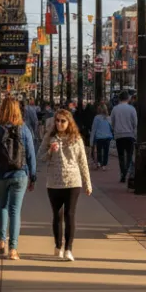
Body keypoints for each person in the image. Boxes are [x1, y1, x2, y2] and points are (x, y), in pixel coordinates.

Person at [0, 97, 37, 260]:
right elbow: (31, 155)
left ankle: (1, 243)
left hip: (0, 174)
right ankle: (13, 249)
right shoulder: (24, 129)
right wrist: (33, 176)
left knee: (2, 207)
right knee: (15, 210)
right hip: (19, 174)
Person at [42, 109, 92, 261]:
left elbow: (83, 161)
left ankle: (69, 249)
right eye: (57, 120)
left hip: (72, 181)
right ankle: (58, 245)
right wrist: (50, 151)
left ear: (69, 122)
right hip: (54, 182)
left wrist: (87, 183)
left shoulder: (76, 139)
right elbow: (40, 157)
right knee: (57, 215)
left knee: (70, 215)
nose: (59, 124)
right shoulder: (50, 137)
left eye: (63, 121)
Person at [110, 93, 138, 183]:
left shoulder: (115, 109)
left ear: (119, 98)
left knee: (121, 156)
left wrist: (115, 130)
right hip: (130, 135)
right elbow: (135, 123)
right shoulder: (132, 109)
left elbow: (112, 122)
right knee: (129, 155)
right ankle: (126, 171)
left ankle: (123, 173)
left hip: (119, 135)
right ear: (128, 98)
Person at [90, 102, 114, 170]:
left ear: (98, 109)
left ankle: (99, 162)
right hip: (107, 137)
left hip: (99, 137)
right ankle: (104, 165)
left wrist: (91, 141)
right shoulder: (108, 118)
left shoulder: (96, 118)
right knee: (106, 151)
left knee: (99, 150)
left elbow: (93, 129)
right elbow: (112, 127)